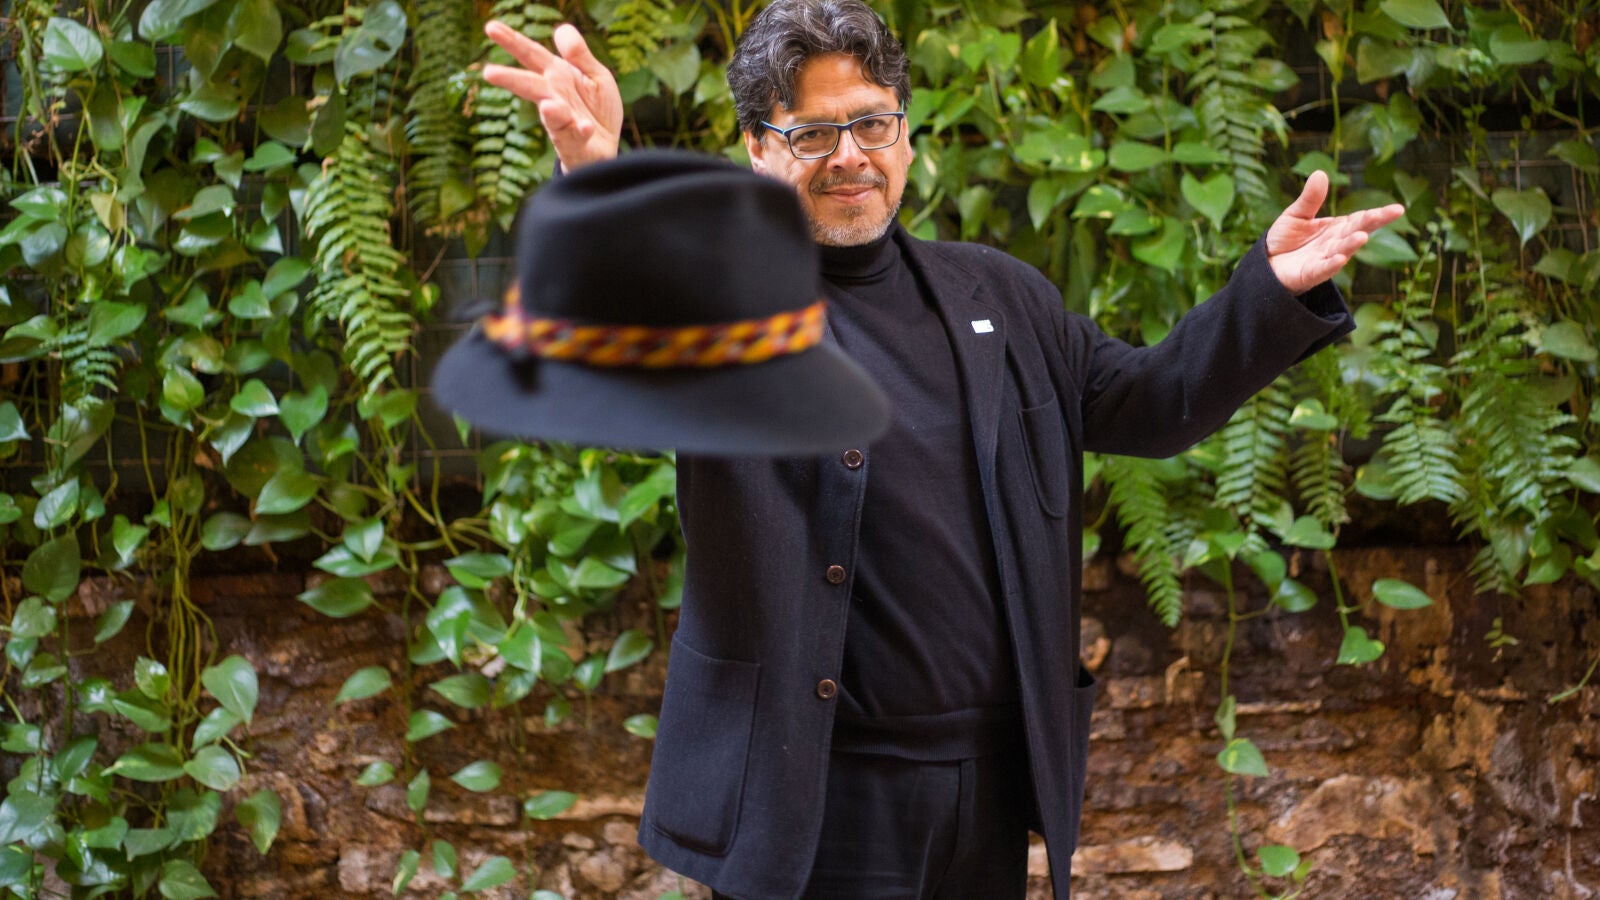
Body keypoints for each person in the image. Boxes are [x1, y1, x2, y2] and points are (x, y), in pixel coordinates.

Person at [482, 3, 1405, 898]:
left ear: (906, 134)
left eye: (871, 123)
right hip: (815, 801)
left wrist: (1267, 290)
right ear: (759, 149)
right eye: (813, 133)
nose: (850, 156)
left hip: (988, 793)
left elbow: (1151, 405)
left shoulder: (999, 295)